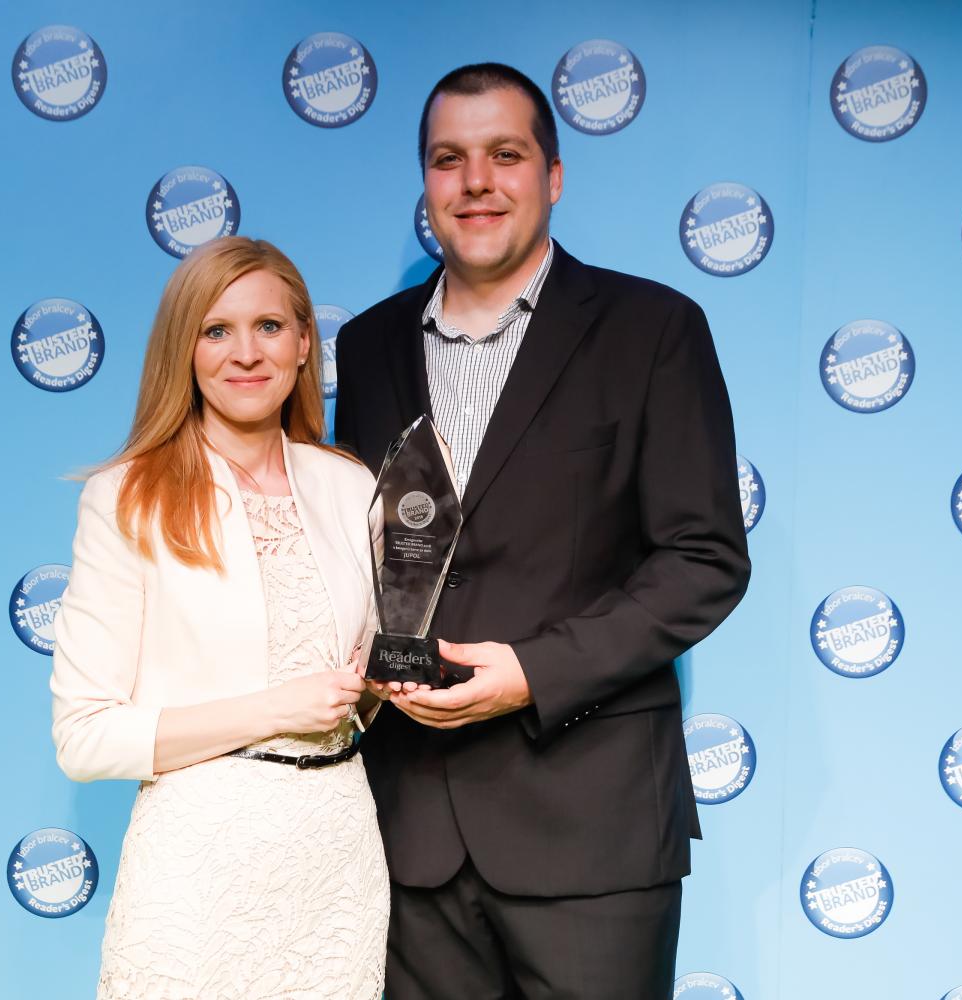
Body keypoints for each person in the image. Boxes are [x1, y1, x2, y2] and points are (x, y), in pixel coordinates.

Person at [332, 63, 751, 997]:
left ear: (553, 176)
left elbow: (704, 560)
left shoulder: (653, 328)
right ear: (426, 182)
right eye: (449, 159)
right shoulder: (367, 346)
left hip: (591, 824)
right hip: (410, 829)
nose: (476, 181)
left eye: (505, 155)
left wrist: (533, 672)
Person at [50, 236, 388, 999]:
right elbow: (85, 737)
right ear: (185, 349)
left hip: (337, 860)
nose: (246, 353)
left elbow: (364, 683)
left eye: (268, 326)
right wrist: (277, 709)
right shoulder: (126, 497)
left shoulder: (351, 488)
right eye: (216, 330)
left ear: (304, 343)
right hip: (198, 867)